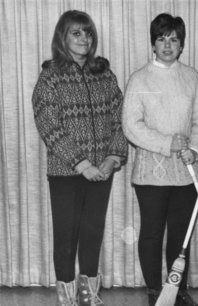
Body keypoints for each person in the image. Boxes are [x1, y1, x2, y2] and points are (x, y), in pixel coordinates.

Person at [32, 10, 128, 306]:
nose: (84, 38)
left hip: (103, 170)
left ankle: (89, 295)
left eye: (87, 33)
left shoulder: (105, 75)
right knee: (66, 234)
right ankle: (67, 297)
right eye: (76, 33)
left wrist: (112, 159)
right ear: (63, 37)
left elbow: (120, 119)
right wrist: (82, 164)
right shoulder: (50, 77)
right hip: (66, 172)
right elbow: (48, 125)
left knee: (92, 232)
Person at [122, 13, 198, 306]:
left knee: (180, 237)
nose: (168, 45)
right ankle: (154, 292)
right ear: (153, 43)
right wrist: (168, 144)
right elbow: (132, 126)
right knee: (151, 234)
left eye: (174, 39)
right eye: (162, 38)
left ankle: (179, 292)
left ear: (182, 45)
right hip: (151, 174)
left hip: (186, 171)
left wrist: (195, 149)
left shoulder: (191, 77)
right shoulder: (139, 78)